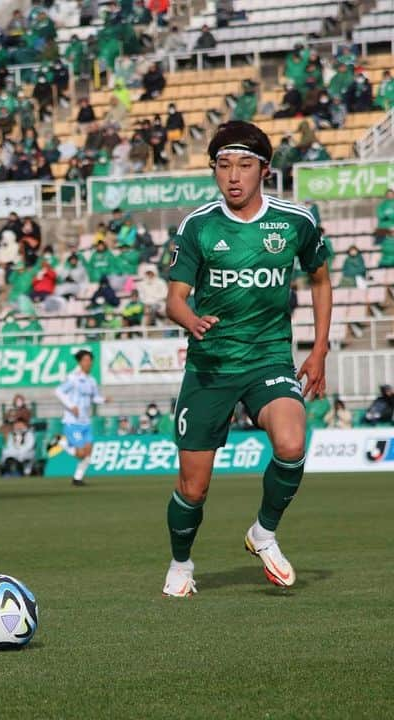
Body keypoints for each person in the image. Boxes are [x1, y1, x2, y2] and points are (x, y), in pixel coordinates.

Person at [161, 121, 332, 598]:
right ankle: (180, 564)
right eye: (223, 166)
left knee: (293, 443)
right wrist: (189, 319)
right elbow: (174, 299)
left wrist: (319, 348)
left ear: (264, 171)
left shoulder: (295, 221)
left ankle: (264, 533)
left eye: (244, 165)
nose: (233, 176)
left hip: (268, 358)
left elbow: (320, 279)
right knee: (193, 488)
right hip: (210, 367)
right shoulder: (198, 225)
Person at [49, 349, 104, 487]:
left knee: (88, 452)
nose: (88, 363)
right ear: (80, 362)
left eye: (90, 360)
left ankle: (77, 478)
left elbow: (95, 397)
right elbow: (58, 391)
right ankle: (61, 443)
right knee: (80, 453)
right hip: (72, 421)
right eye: (85, 360)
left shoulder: (91, 380)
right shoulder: (73, 378)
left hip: (85, 421)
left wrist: (104, 400)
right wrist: (71, 405)